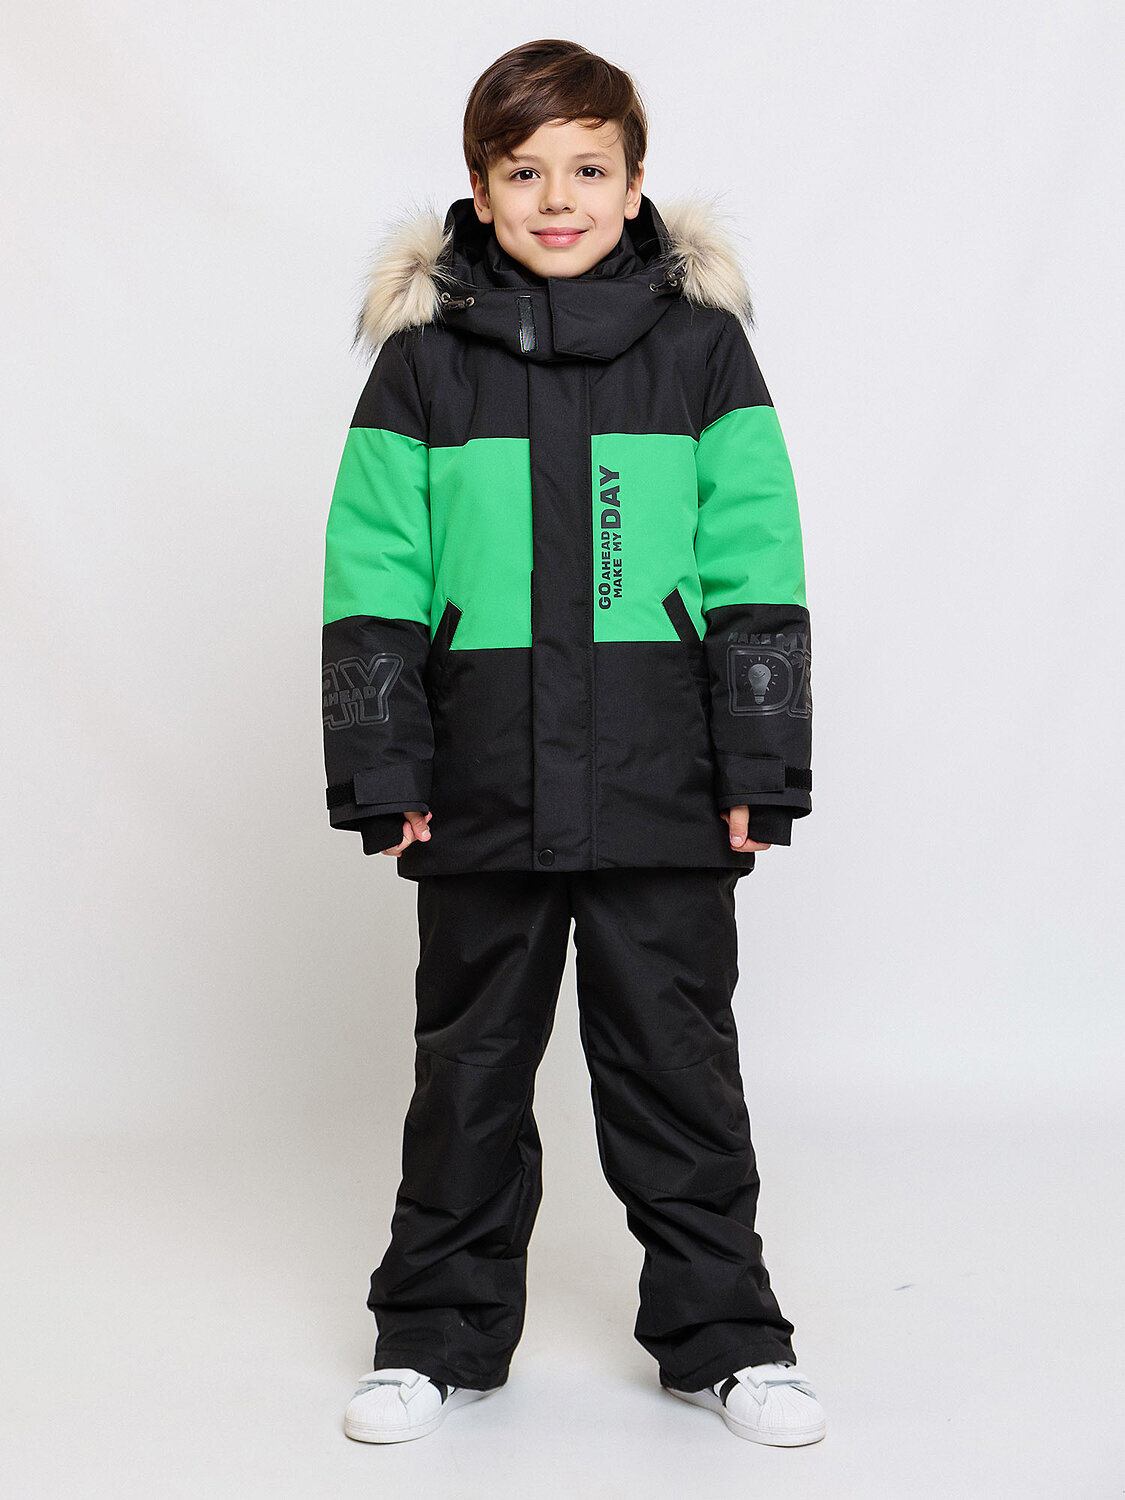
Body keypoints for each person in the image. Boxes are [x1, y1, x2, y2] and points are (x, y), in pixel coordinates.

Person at [322, 39, 825, 1448]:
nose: (559, 199)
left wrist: (759, 767)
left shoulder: (701, 352)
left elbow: (757, 564)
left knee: (677, 1067)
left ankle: (728, 1340)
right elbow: (373, 575)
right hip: (480, 781)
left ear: (635, 182)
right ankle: (434, 1336)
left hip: (663, 779)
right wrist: (386, 770)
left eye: (588, 169)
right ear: (478, 191)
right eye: (524, 171)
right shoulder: (424, 366)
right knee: (468, 1072)